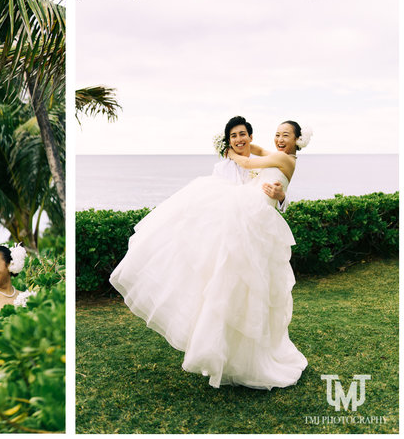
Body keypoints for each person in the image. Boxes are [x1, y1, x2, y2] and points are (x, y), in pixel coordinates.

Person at [109, 120, 311, 390]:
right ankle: (229, 354)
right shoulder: (276, 155)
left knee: (246, 283)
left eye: (285, 135)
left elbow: (250, 164)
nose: (279, 138)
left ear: (297, 140)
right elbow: (258, 151)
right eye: (276, 134)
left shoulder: (286, 159)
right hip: (252, 218)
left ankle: (249, 358)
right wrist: (238, 143)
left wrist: (233, 153)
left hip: (254, 217)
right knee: (230, 279)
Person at [213, 116, 288, 210]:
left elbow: (281, 206)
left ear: (251, 137)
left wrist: (281, 197)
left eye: (242, 134)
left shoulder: (265, 164)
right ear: (229, 141)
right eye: (234, 136)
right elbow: (215, 199)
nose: (239, 139)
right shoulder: (220, 168)